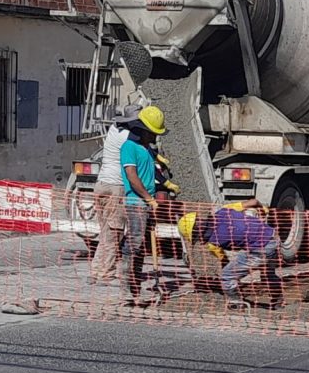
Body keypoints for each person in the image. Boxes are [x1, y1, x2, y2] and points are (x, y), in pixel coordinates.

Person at [177, 199, 281, 308]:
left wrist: (232, 278)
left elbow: (225, 261)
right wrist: (263, 209)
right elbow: (254, 202)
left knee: (227, 276)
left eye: (195, 237)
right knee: (267, 272)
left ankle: (236, 304)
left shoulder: (213, 242)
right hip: (273, 236)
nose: (198, 240)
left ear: (196, 231)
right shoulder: (223, 210)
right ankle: (278, 300)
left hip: (261, 249)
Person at [119, 105, 166, 305]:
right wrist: (148, 198)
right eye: (152, 133)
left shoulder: (146, 149)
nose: (155, 137)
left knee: (140, 248)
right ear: (143, 130)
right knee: (133, 244)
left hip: (147, 202)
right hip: (136, 202)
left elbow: (152, 173)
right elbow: (132, 176)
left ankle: (135, 288)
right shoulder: (129, 147)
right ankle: (126, 289)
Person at [87, 105, 137, 285]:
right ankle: (105, 273)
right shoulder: (128, 137)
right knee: (114, 233)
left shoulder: (113, 130)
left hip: (101, 184)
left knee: (105, 232)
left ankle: (95, 271)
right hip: (116, 187)